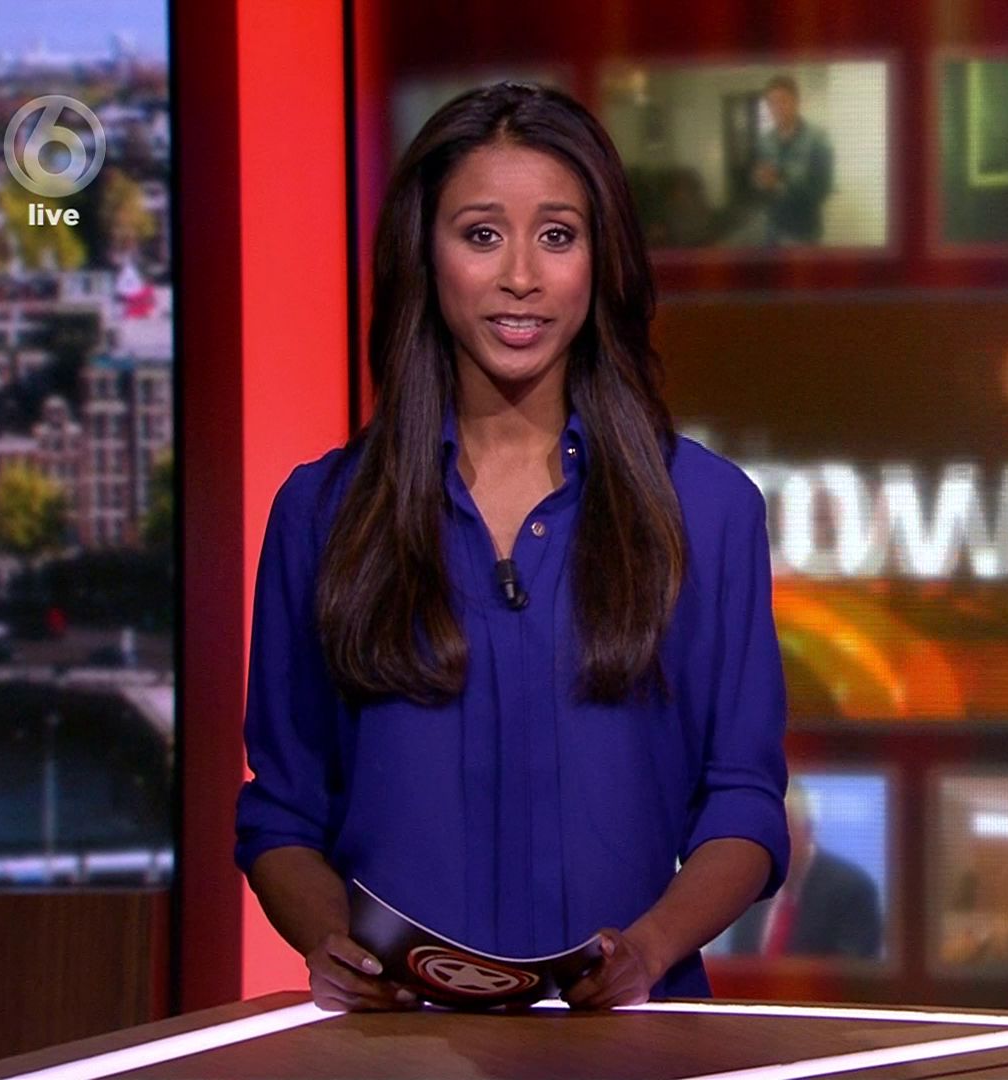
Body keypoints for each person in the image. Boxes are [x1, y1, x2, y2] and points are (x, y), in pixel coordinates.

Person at [234, 82, 791, 1013]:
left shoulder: (708, 510)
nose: (521, 276)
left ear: (601, 259)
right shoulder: (322, 512)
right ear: (426, 253)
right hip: (399, 1052)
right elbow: (282, 813)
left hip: (633, 1046)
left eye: (558, 235)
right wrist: (333, 943)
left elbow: (743, 805)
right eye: (483, 234)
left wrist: (647, 952)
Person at [726, 781, 883, 959]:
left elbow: (853, 971)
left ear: (808, 830)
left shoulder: (852, 890)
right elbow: (738, 965)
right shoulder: (752, 889)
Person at [751, 75, 834, 245]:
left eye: (783, 100)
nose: (777, 108)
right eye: (771, 103)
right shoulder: (764, 141)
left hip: (804, 232)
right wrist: (760, 182)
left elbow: (823, 190)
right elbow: (761, 188)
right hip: (772, 228)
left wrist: (780, 182)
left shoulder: (818, 138)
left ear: (796, 102)